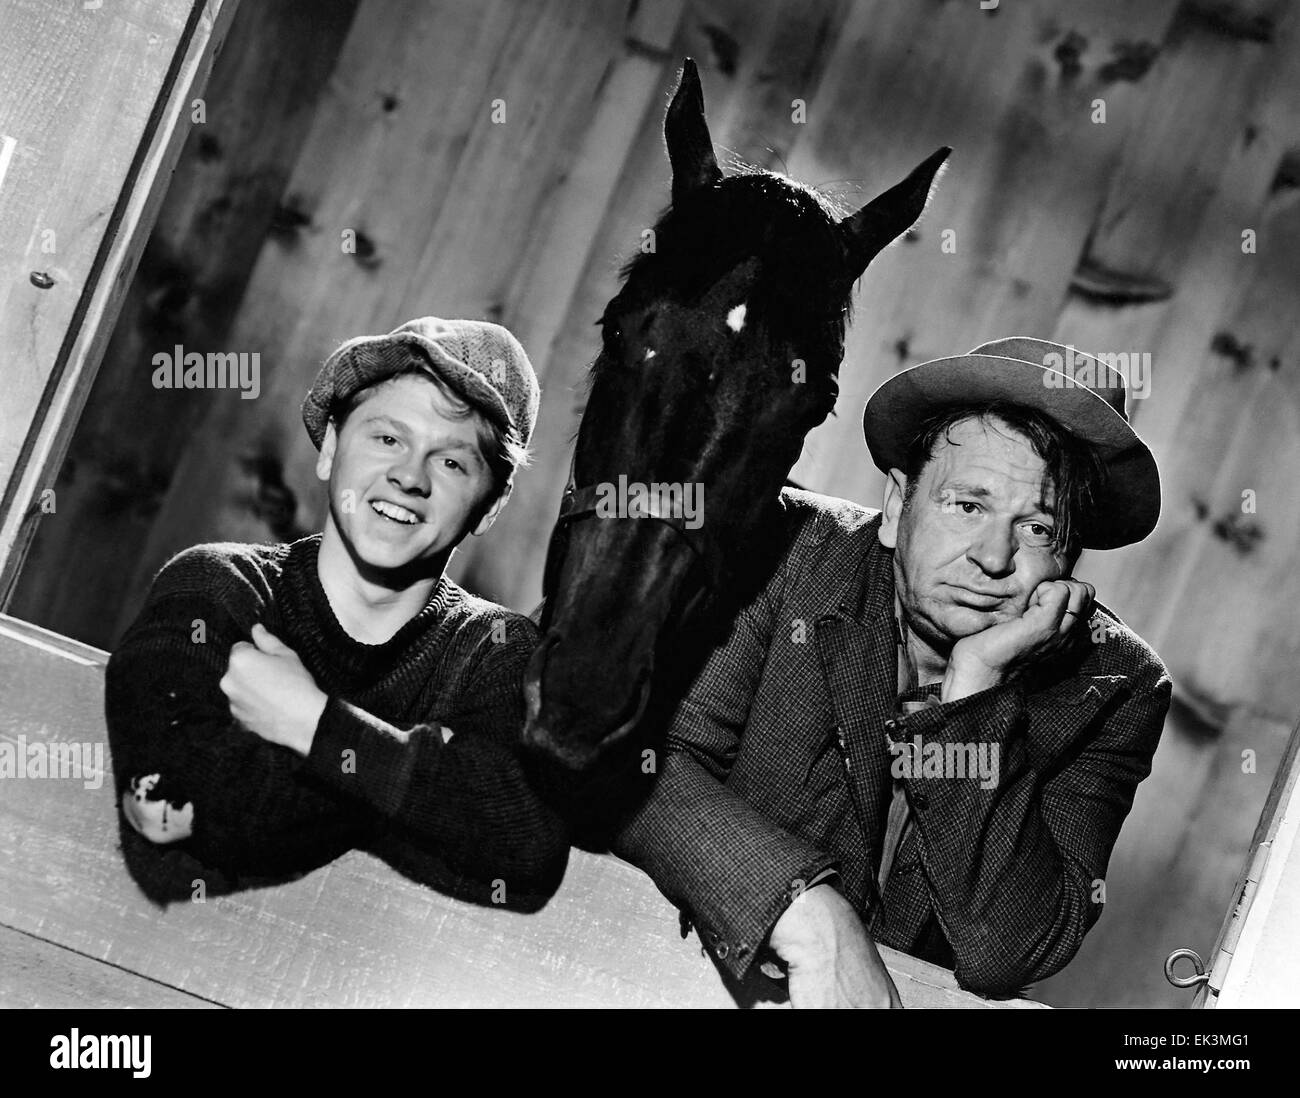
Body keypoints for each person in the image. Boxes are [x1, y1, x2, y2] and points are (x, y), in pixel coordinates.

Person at [612, 336, 1172, 1005]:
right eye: (968, 506)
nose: (993, 558)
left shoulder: (1114, 684)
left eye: (1037, 530)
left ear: (1069, 558)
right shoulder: (781, 547)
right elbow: (637, 768)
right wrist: (811, 914)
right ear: (899, 507)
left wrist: (972, 695)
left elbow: (1006, 951)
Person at [106, 317, 567, 908]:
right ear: (329, 447)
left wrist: (309, 722)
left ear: (491, 505)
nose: (409, 476)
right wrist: (417, 789)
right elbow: (185, 801)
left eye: (452, 462)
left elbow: (524, 844)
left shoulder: (498, 650)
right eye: (387, 438)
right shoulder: (218, 588)